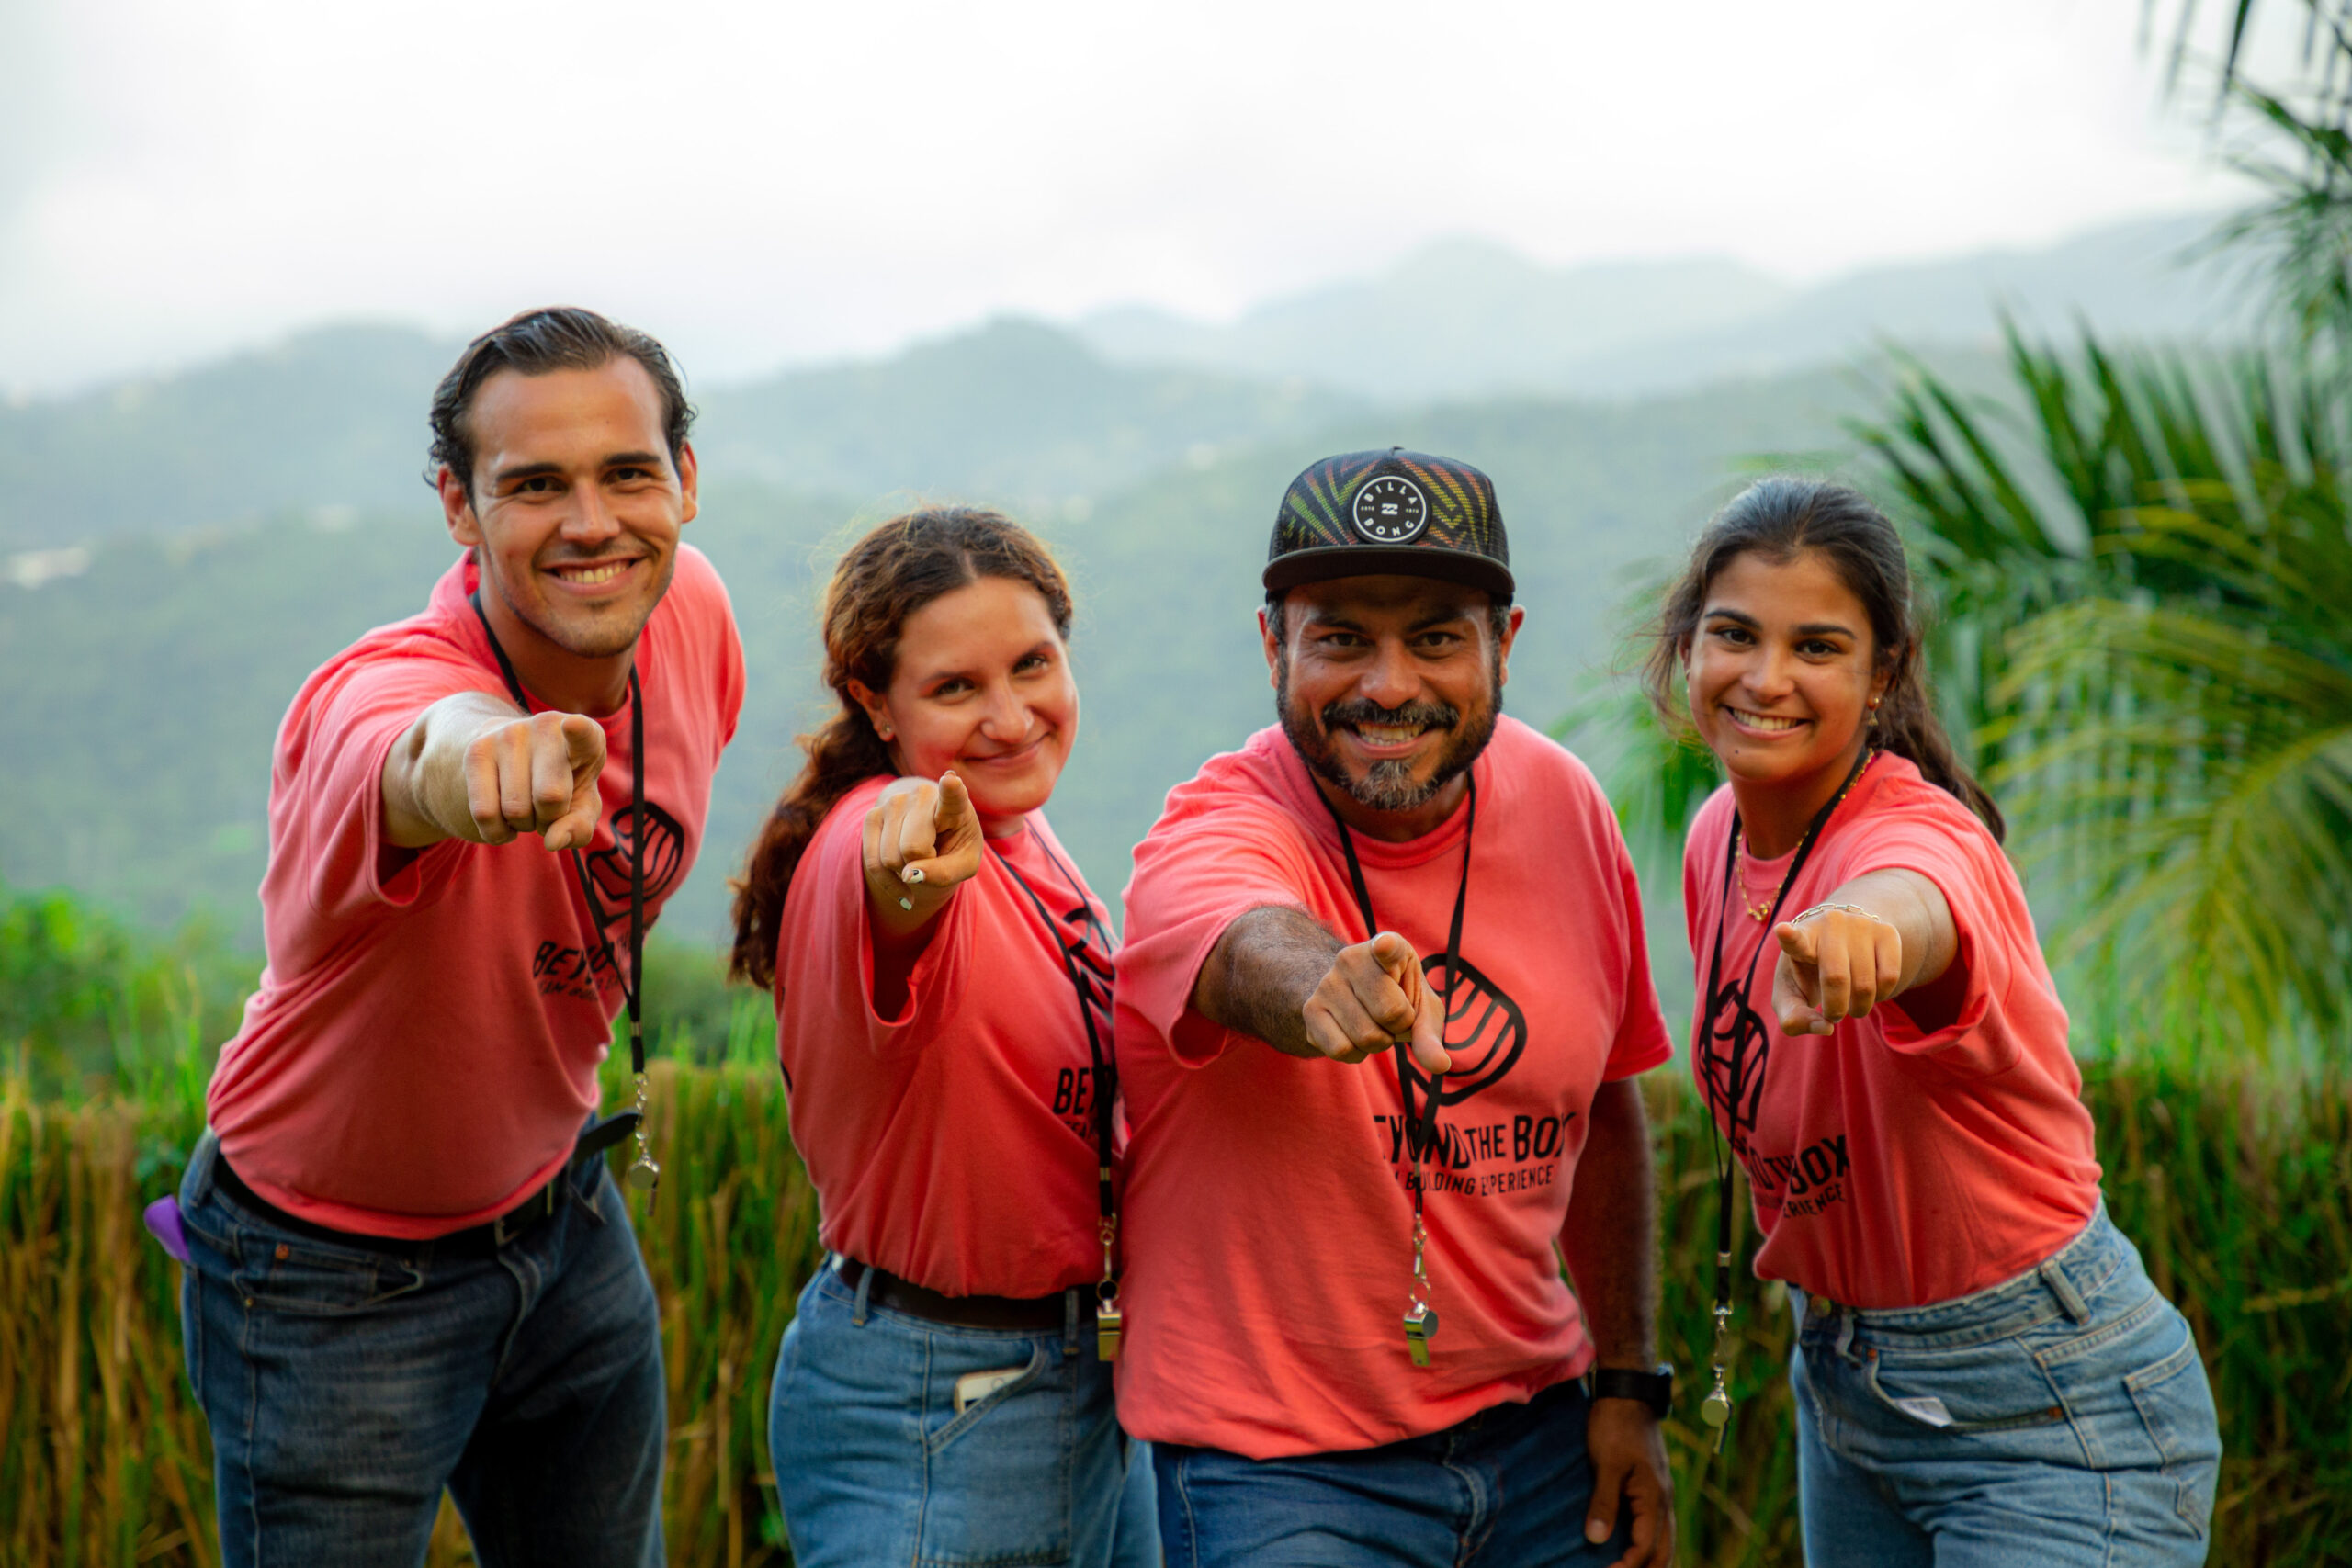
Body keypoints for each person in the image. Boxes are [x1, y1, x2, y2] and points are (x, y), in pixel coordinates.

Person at [175, 307, 743, 1567]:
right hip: (326, 1274)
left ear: (686, 481)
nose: (592, 522)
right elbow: (416, 744)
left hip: (562, 1210)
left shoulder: (691, 614)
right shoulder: (372, 694)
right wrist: (489, 758)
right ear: (458, 506)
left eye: (628, 473)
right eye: (533, 485)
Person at [1114, 448, 1679, 1568]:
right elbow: (1234, 935)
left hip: (1544, 1447)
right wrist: (1323, 981)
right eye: (1339, 638)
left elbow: (1603, 1105)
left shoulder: (1566, 805)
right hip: (1280, 1477)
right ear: (1272, 643)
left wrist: (1626, 1385)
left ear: (1501, 644)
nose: (1387, 684)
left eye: (1433, 636)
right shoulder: (1210, 826)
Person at [1649, 477, 2222, 1566]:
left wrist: (1865, 934)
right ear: (1687, 645)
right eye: (1733, 635)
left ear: (1883, 678)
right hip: (1845, 1387)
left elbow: (1918, 896)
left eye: (1817, 647)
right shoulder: (1717, 834)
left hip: (2047, 1412)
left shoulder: (1923, 839)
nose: (1764, 679)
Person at [731, 506, 1155, 1567]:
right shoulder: (884, 835)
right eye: (955, 688)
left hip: (1075, 1375)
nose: (1011, 718)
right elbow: (892, 878)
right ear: (875, 703)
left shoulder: (1018, 823)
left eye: (1032, 665)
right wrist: (903, 868)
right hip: (950, 1394)